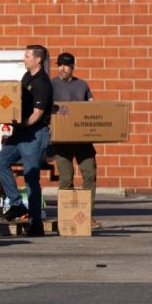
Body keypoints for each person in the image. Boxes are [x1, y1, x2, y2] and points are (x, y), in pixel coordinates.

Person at [0, 44, 54, 236]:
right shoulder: (27, 77)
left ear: (37, 60)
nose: (24, 58)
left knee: (31, 178)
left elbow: (37, 114)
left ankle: (35, 222)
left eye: (27, 56)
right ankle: (17, 204)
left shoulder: (42, 83)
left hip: (33, 134)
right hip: (21, 132)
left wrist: (21, 125)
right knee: (1, 162)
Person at [51, 52, 100, 228]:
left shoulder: (82, 85)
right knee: (66, 179)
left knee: (90, 175)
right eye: (60, 65)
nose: (62, 68)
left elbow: (92, 105)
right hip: (62, 141)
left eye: (66, 65)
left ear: (73, 66)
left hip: (82, 140)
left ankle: (87, 216)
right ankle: (67, 216)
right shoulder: (52, 84)